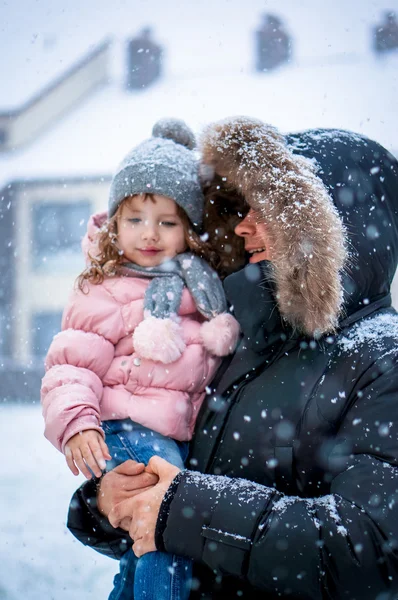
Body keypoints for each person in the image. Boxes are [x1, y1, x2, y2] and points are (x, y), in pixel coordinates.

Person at [67, 117, 398, 599]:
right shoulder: (241, 334)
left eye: (268, 211)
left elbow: (370, 549)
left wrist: (183, 509)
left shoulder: (383, 359)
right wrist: (106, 501)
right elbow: (166, 471)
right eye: (244, 209)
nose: (243, 226)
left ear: (327, 229)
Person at [40, 118, 240, 600]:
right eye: (134, 219)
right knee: (165, 527)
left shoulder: (199, 287)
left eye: (167, 221)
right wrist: (78, 421)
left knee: (141, 547)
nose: (149, 234)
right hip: (125, 429)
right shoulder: (106, 286)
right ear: (114, 223)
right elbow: (71, 364)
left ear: (188, 228)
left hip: (170, 437)